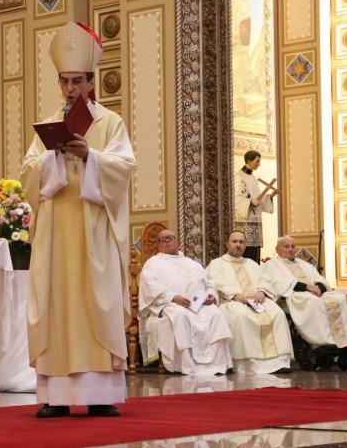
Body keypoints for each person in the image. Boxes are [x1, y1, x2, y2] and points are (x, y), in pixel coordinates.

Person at [20, 21, 136, 418]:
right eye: (63, 81)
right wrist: (53, 155)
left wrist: (90, 155)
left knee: (95, 302)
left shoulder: (109, 122)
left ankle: (101, 394)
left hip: (92, 228)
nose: (69, 89)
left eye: (76, 81)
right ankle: (55, 396)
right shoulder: (47, 123)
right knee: (56, 302)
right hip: (55, 229)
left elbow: (124, 167)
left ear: (90, 82)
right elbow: (28, 174)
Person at [138, 229, 234, 375]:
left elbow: (210, 282)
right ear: (157, 245)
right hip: (170, 305)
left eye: (170, 237)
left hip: (199, 305)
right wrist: (173, 298)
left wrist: (211, 295)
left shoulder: (191, 263)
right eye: (162, 239)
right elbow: (150, 287)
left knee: (215, 313)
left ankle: (218, 364)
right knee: (179, 316)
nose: (166, 240)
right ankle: (184, 365)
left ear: (178, 242)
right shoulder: (152, 264)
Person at [205, 231, 293, 374]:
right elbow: (214, 283)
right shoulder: (216, 264)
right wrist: (235, 295)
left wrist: (261, 291)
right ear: (227, 244)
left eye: (241, 242)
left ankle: (279, 362)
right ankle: (247, 364)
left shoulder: (251, 263)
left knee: (277, 313)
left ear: (245, 246)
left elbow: (264, 279)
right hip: (232, 302)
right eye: (234, 241)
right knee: (241, 316)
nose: (238, 245)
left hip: (257, 300)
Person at [261, 235, 347, 356]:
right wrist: (306, 287)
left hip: (314, 294)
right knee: (312, 301)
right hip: (291, 298)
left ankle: (346, 342)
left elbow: (319, 279)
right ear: (277, 249)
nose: (290, 249)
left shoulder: (304, 264)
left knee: (338, 298)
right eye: (286, 246)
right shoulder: (271, 265)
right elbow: (277, 284)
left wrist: (319, 288)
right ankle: (322, 343)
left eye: (293, 246)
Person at [234, 150, 274, 263]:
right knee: (246, 255)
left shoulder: (253, 178)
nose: (259, 164)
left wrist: (269, 197)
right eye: (257, 161)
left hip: (256, 223)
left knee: (255, 256)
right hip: (245, 223)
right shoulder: (238, 178)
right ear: (248, 161)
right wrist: (250, 203)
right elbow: (237, 199)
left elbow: (258, 201)